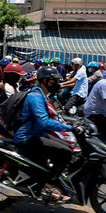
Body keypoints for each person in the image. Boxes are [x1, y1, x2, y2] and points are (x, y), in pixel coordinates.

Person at [14, 67, 73, 202]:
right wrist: (69, 127)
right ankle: (49, 185)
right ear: (45, 81)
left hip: (35, 133)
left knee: (63, 146)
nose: (57, 83)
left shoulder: (41, 95)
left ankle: (42, 183)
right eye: (54, 80)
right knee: (65, 152)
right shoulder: (35, 97)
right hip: (27, 137)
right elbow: (43, 122)